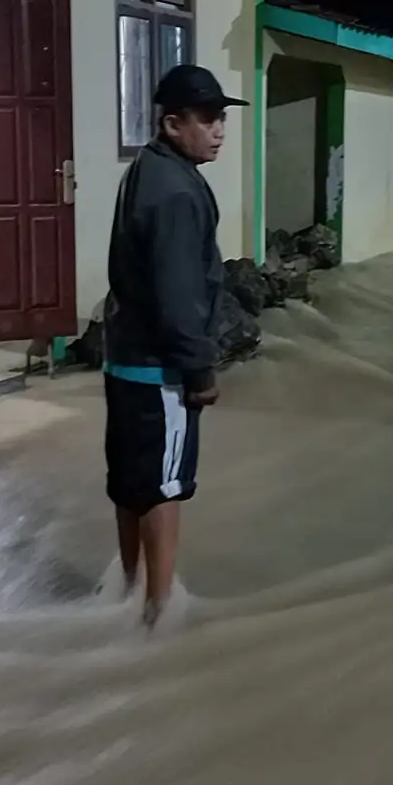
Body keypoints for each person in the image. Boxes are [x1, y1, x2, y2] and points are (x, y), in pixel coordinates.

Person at [102, 64, 246, 626]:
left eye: (222, 117)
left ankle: (129, 589)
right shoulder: (178, 193)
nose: (219, 129)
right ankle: (159, 615)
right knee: (164, 486)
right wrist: (200, 371)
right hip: (159, 369)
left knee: (131, 484)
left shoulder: (147, 169)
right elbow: (179, 292)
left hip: (125, 359)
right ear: (171, 123)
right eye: (207, 118)